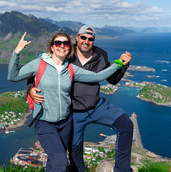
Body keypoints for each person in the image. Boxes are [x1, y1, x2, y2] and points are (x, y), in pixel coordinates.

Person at [7, 31, 125, 172]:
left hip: (65, 123)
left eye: (65, 43)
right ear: (52, 47)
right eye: (58, 43)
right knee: (60, 163)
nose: (61, 46)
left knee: (54, 161)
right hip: (44, 122)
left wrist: (118, 64)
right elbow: (13, 76)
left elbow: (97, 76)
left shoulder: (71, 68)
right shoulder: (39, 64)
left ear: (69, 47)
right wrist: (17, 52)